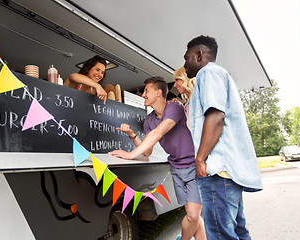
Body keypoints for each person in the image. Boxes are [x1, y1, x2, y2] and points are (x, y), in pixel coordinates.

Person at [183, 35, 263, 239]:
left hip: (218, 171)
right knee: (238, 231)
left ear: (199, 55)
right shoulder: (220, 74)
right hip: (229, 173)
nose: (184, 64)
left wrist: (200, 159)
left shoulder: (208, 73)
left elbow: (216, 116)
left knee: (221, 235)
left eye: (187, 57)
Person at [109, 77, 206, 240]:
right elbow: (147, 152)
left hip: (193, 166)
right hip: (176, 169)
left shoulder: (174, 107)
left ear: (158, 92)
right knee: (192, 215)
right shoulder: (149, 120)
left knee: (193, 216)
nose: (143, 95)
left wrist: (130, 154)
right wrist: (132, 135)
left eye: (146, 91)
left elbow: (158, 132)